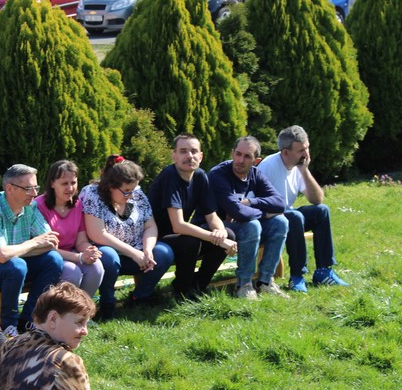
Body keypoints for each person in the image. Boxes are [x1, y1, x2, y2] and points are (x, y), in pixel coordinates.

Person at [0, 164, 63, 338]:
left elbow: (51, 242)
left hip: (6, 265)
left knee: (53, 259)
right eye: (28, 188)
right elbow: (4, 254)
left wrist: (10, 253)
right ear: (9, 188)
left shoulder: (30, 207)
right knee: (16, 266)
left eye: (36, 188)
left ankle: (31, 319)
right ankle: (7, 326)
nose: (34, 194)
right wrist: (28, 245)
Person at [80, 156, 174, 320]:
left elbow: (150, 226)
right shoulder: (92, 194)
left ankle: (140, 297)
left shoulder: (136, 193)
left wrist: (147, 250)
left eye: (134, 189)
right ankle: (107, 304)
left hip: (138, 251)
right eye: (126, 191)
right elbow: (98, 233)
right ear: (111, 186)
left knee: (164, 253)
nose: (131, 195)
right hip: (108, 253)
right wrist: (133, 253)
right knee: (108, 256)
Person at [256, 125, 348, 291]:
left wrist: (304, 171)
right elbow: (255, 204)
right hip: (268, 221)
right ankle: (297, 276)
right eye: (301, 150)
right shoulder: (268, 167)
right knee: (294, 217)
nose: (306, 154)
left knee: (321, 211)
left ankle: (323, 271)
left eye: (307, 148)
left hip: (288, 215)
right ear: (285, 152)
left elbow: (316, 199)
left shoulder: (298, 165)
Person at [148, 134, 237, 300]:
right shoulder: (170, 175)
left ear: (201, 156)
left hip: (177, 235)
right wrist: (217, 239)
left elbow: (212, 216)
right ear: (174, 156)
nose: (190, 156)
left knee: (229, 234)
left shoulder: (200, 176)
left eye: (194, 151)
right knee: (190, 241)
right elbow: (178, 225)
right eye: (183, 151)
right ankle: (182, 290)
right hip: (155, 237)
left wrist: (221, 233)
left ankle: (197, 287)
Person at [207, 137, 290, 300]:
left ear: (256, 161)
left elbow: (280, 203)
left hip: (240, 225)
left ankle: (265, 282)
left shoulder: (255, 174)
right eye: (238, 154)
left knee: (281, 222)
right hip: (214, 227)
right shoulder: (218, 175)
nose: (240, 160)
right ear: (232, 153)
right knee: (253, 225)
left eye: (247, 156)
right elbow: (238, 212)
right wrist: (265, 213)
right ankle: (244, 285)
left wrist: (252, 202)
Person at [35, 160, 104, 297]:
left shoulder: (77, 204)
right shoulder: (38, 206)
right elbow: (47, 247)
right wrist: (80, 257)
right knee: (72, 273)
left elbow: (81, 241)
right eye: (64, 183)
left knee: (96, 268)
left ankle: (83, 309)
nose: (70, 188)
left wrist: (90, 251)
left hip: (72, 253)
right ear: (52, 183)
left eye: (73, 183)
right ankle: (63, 310)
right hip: (49, 256)